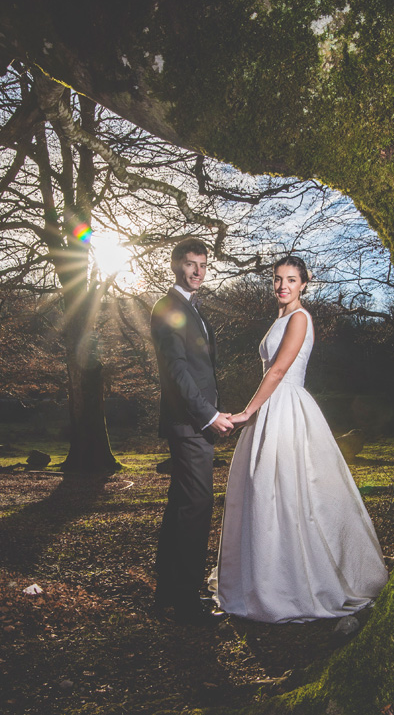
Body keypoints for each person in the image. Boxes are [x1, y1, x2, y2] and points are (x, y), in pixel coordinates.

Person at [210, 256, 388, 622]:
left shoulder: (300, 318)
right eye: (277, 279)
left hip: (286, 406)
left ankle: (298, 583)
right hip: (271, 408)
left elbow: (278, 370)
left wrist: (247, 412)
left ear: (305, 283)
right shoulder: (279, 318)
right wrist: (256, 412)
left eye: (291, 279)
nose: (282, 286)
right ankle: (265, 579)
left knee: (289, 491)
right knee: (263, 491)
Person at [150, 238, 235, 625]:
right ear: (175, 265)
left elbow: (199, 370)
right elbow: (178, 371)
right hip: (189, 423)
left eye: (203, 264)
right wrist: (208, 416)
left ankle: (168, 590)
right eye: (190, 264)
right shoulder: (169, 308)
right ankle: (186, 599)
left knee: (182, 505)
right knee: (197, 506)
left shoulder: (190, 308)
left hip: (192, 420)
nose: (198, 271)